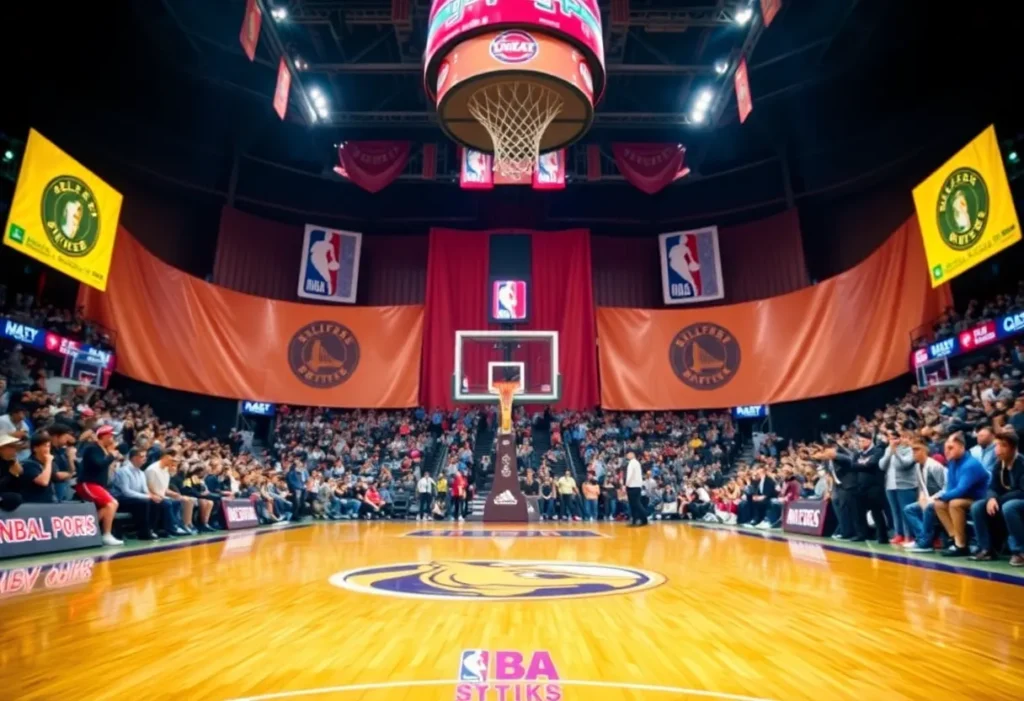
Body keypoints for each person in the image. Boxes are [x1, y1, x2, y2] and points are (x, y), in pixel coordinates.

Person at [969, 429, 1024, 561]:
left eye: (1003, 446)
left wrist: (997, 500)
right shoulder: (999, 464)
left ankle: (1020, 551)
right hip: (1004, 500)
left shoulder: (1022, 463)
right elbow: (992, 487)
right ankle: (986, 549)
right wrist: (991, 498)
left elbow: (1022, 491)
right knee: (977, 506)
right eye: (997, 445)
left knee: (1009, 507)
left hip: (1019, 499)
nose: (998, 450)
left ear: (1014, 448)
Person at [931, 432, 989, 557]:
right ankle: (955, 538)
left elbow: (961, 490)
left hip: (980, 499)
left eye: (951, 448)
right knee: (939, 504)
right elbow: (951, 487)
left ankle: (961, 545)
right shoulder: (953, 462)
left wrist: (942, 496)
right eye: (945, 448)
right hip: (966, 498)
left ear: (962, 447)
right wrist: (941, 498)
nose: (946, 451)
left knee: (954, 503)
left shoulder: (970, 464)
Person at [74, 425, 123, 546]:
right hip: (88, 484)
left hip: (97, 485)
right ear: (105, 436)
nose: (112, 438)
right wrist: (111, 456)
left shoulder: (102, 450)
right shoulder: (92, 448)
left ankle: (86, 529)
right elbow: (98, 465)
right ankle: (106, 534)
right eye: (111, 436)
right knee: (112, 503)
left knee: (109, 506)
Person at [903, 440, 947, 551]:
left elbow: (945, 488)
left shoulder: (934, 466)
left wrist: (929, 500)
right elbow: (922, 487)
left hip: (940, 499)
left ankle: (925, 543)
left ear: (924, 451)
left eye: (916, 450)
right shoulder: (918, 466)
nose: (913, 453)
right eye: (912, 450)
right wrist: (922, 498)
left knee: (928, 508)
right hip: (928, 499)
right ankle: (921, 537)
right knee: (909, 509)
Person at [111, 448, 160, 540]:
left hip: (134, 499)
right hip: (121, 499)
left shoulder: (141, 473)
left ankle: (151, 530)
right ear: (133, 458)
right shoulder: (123, 471)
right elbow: (126, 491)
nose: (145, 458)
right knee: (144, 502)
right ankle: (143, 532)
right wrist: (147, 496)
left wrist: (152, 496)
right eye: (142, 456)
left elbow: (145, 490)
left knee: (155, 502)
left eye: (145, 456)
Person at [880, 430, 918, 544]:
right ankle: (899, 534)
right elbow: (882, 466)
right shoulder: (888, 449)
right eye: (892, 439)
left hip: (906, 485)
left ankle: (909, 535)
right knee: (895, 511)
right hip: (890, 485)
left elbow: (904, 465)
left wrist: (896, 453)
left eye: (898, 438)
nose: (896, 441)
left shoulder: (910, 450)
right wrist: (889, 453)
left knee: (905, 511)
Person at [851, 432, 889, 544]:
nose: (860, 443)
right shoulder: (858, 453)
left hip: (874, 486)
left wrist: (862, 464)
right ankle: (862, 535)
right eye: (859, 441)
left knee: (876, 512)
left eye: (862, 441)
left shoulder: (877, 451)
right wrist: (863, 463)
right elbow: (853, 466)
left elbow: (871, 464)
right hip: (860, 486)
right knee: (859, 512)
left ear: (869, 440)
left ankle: (882, 537)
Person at [18, 433, 57, 504]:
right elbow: (43, 482)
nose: (48, 449)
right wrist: (48, 461)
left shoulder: (45, 463)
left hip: (48, 502)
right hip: (34, 504)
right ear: (35, 448)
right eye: (45, 446)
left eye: (49, 446)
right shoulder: (28, 464)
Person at [625, 451, 646, 526]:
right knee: (635, 504)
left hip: (632, 486)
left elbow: (630, 475)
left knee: (635, 504)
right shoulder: (637, 463)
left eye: (628, 454)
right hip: (638, 486)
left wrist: (626, 484)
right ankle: (635, 520)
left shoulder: (631, 463)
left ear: (631, 455)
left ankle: (643, 519)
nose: (626, 455)